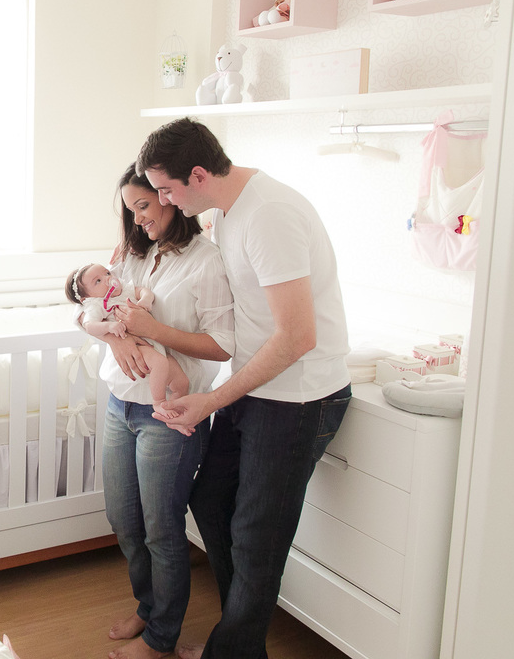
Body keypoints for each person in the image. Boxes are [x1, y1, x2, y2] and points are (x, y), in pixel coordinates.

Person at [135, 118, 352, 659]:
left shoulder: (268, 216)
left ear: (199, 174)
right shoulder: (229, 211)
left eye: (165, 189)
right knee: (210, 499)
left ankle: (231, 650)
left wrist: (213, 398)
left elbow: (298, 337)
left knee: (257, 539)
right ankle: (241, 641)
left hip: (301, 397)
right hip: (260, 388)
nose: (161, 201)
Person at [88, 164, 235, 659]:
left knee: (161, 527)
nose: (138, 218)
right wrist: (120, 336)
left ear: (170, 196)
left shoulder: (206, 261)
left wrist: (152, 331)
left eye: (144, 206)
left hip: (169, 412)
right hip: (120, 403)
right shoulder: (130, 254)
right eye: (131, 210)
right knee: (124, 519)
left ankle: (161, 638)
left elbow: (221, 346)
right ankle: (148, 607)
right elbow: (93, 308)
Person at [65, 262, 192, 436]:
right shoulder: (97, 304)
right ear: (85, 298)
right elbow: (90, 325)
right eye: (98, 281)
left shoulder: (124, 289)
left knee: (182, 382)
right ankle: (159, 402)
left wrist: (145, 299)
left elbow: (143, 291)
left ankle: (176, 416)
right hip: (138, 345)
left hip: (155, 343)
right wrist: (109, 327)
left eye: (107, 273)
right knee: (160, 364)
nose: (108, 279)